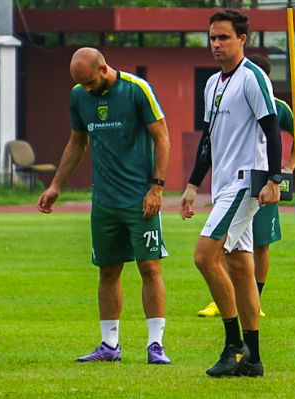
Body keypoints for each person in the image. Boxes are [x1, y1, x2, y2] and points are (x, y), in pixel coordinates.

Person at [37, 47, 171, 365]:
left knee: (149, 267)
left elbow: (162, 138)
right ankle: (110, 346)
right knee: (108, 270)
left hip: (140, 199)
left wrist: (157, 188)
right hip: (105, 201)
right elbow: (76, 143)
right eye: (79, 84)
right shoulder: (78, 96)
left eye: (88, 82)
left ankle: (156, 345)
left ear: (103, 69)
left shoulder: (137, 90)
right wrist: (56, 185)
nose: (85, 89)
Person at [179, 10, 282, 378]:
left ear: (242, 39)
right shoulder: (212, 84)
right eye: (212, 38)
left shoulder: (253, 78)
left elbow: (272, 131)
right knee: (240, 266)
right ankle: (252, 359)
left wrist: (275, 180)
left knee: (205, 256)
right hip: (222, 184)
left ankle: (232, 344)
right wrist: (193, 184)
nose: (216, 44)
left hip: (245, 183)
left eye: (223, 37)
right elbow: (207, 140)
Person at [195, 54, 295, 318]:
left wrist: (286, 169)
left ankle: (256, 298)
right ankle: (227, 299)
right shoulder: (228, 96)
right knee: (228, 243)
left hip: (265, 182)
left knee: (261, 243)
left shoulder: (278, 106)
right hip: (235, 181)